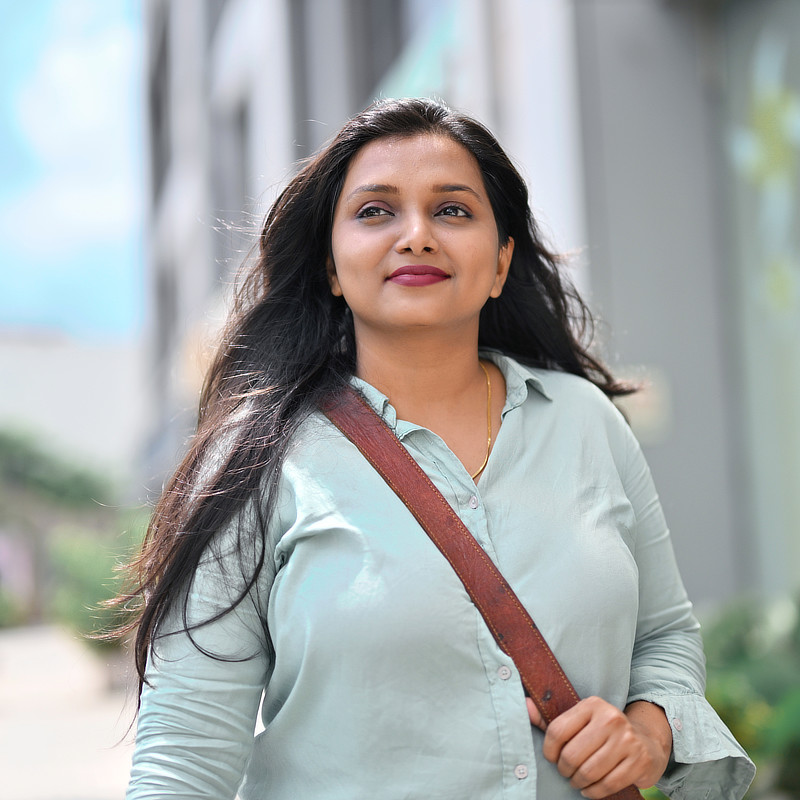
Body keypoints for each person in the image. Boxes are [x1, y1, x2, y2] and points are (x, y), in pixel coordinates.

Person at [122, 98, 754, 799]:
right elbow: (183, 758)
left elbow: (664, 636)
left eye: (452, 210)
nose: (417, 235)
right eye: (374, 212)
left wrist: (647, 731)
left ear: (501, 262)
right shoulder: (255, 462)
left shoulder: (586, 422)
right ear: (332, 266)